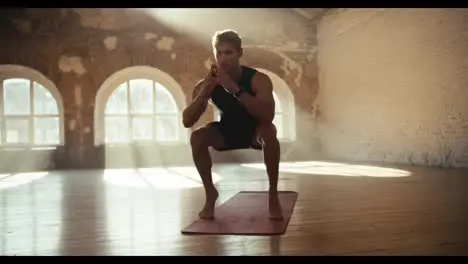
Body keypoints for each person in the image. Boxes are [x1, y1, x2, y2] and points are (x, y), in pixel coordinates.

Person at [182, 29, 283, 220]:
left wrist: (235, 89)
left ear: (240, 53)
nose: (223, 58)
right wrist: (205, 92)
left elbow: (267, 116)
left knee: (270, 132)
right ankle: (211, 193)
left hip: (255, 131)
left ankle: (273, 195)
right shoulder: (207, 83)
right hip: (227, 131)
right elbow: (187, 121)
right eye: (219, 53)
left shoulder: (258, 79)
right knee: (197, 137)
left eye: (229, 52)